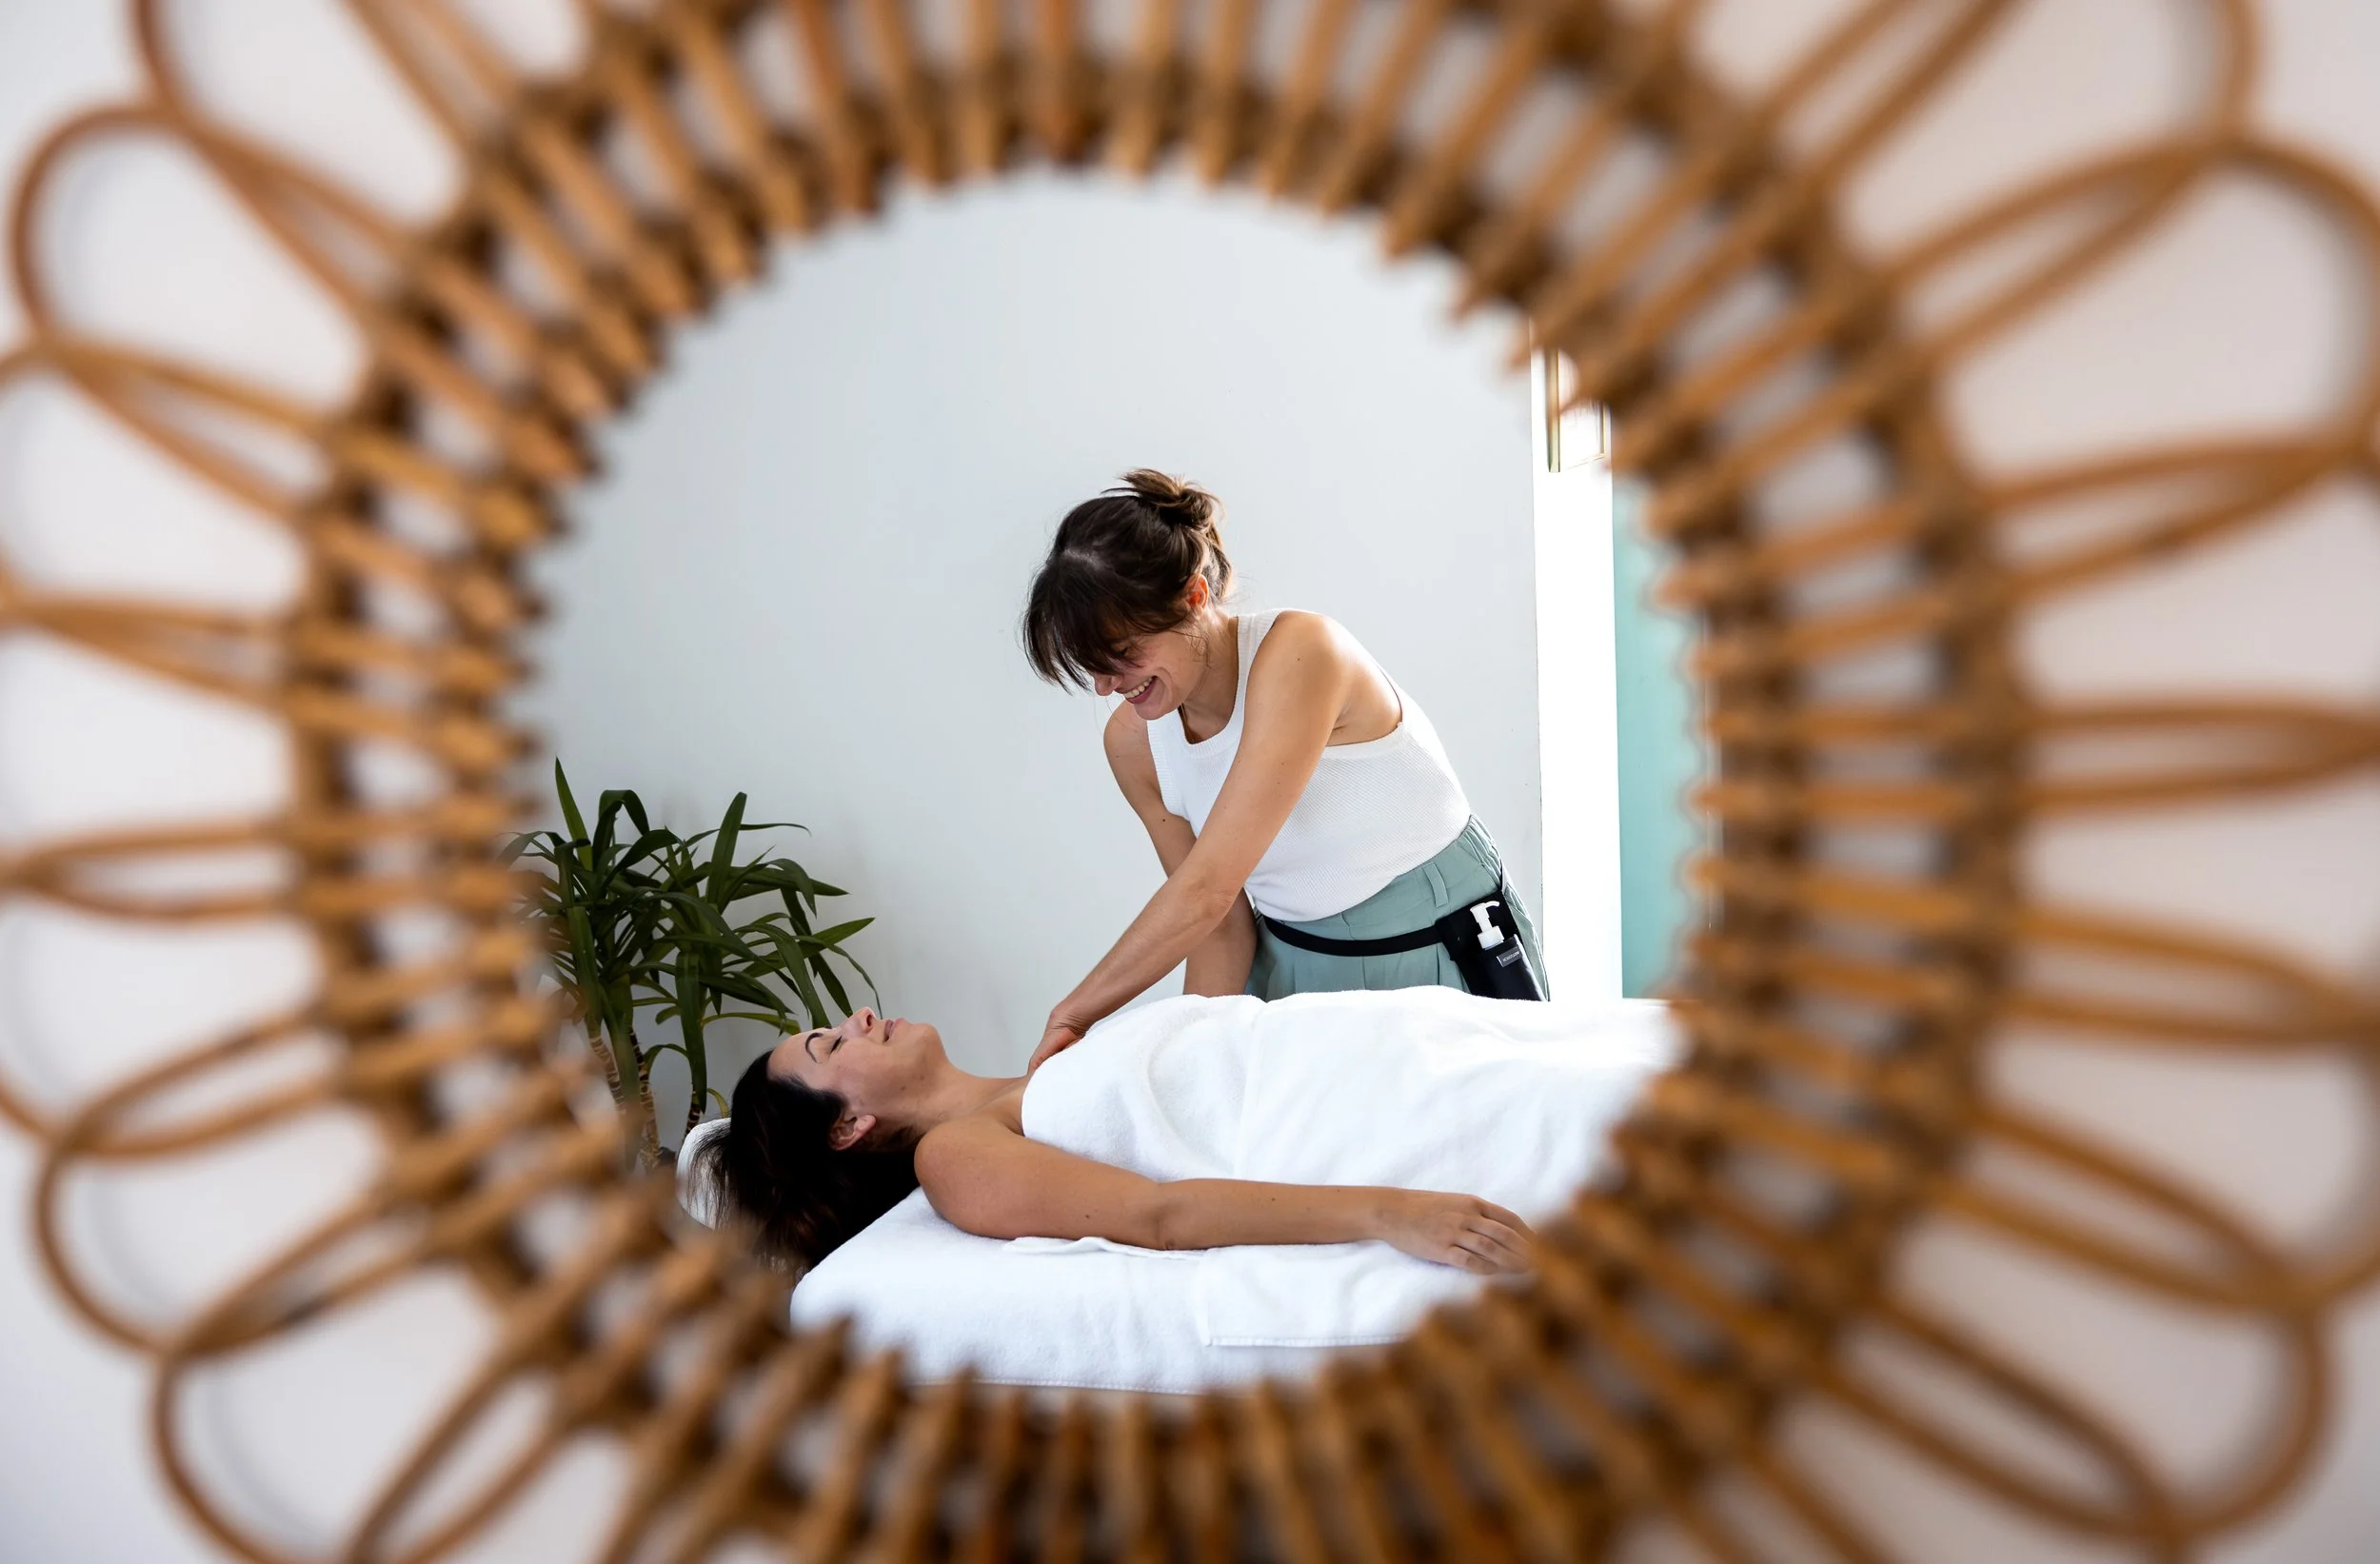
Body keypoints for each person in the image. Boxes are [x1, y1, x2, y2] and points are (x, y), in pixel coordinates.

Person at [1020, 469, 1547, 1072]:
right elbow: (1219, 924)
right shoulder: (1134, 743)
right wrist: (1197, 1064)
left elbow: (1206, 888)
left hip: (1431, 945)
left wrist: (1074, 1013)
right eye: (1092, 667)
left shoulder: (1302, 652)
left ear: (1194, 597)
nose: (1108, 686)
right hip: (1288, 962)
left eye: (1123, 656)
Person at [693, 1002, 1543, 1276]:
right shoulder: (952, 1154)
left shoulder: (1045, 1063)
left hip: (1397, 1044)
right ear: (847, 1127)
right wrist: (1391, 1214)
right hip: (1364, 1115)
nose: (859, 1017)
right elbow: (1160, 1215)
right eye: (830, 1046)